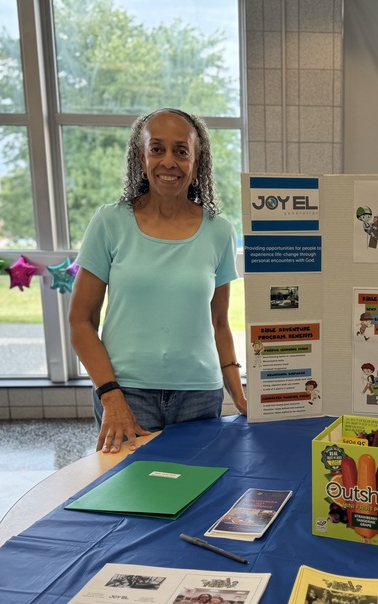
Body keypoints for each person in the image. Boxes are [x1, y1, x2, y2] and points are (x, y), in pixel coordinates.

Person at [70, 108, 247, 453]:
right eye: (157, 149)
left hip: (199, 395)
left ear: (196, 162)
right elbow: (80, 321)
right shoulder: (109, 222)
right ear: (142, 157)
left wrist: (239, 396)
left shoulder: (219, 231)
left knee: (198, 486)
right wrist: (111, 397)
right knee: (129, 486)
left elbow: (219, 323)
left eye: (181, 151)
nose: (169, 161)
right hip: (126, 393)